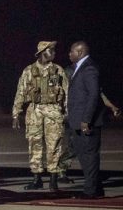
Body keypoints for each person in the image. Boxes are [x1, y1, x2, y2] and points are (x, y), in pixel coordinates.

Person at [12, 41, 68, 191]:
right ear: (43, 52)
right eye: (52, 50)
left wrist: (67, 112)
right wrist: (16, 113)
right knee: (34, 144)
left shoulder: (58, 70)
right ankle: (36, 178)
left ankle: (53, 180)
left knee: (54, 144)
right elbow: (21, 92)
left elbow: (67, 92)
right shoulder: (29, 70)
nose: (54, 53)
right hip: (34, 110)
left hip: (54, 110)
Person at [57, 66, 121, 184]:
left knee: (89, 148)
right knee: (74, 146)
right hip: (74, 117)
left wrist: (112, 107)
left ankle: (90, 176)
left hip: (88, 117)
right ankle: (60, 170)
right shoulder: (68, 80)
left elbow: (100, 94)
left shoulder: (89, 80)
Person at [67, 41, 105, 199]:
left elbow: (93, 95)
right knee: (84, 156)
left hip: (87, 123)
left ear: (80, 52)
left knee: (89, 157)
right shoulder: (78, 68)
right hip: (77, 121)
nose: (69, 54)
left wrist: (86, 120)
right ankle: (96, 188)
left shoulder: (89, 68)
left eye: (71, 51)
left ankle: (90, 191)